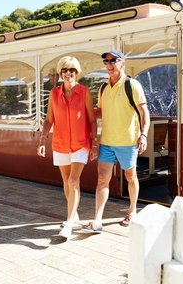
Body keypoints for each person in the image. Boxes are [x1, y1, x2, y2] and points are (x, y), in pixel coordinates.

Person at [83, 49, 150, 233]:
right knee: (102, 179)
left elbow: (145, 112)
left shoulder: (132, 85)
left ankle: (132, 211)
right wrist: (79, 111)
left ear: (122, 63)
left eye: (113, 60)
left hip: (128, 142)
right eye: (106, 61)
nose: (109, 64)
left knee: (130, 177)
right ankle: (97, 220)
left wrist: (143, 135)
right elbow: (101, 112)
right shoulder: (103, 88)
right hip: (107, 142)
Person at [37, 56, 97, 239]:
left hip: (80, 144)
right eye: (64, 70)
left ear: (77, 72)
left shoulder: (84, 92)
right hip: (60, 143)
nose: (68, 73)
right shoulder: (54, 94)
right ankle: (74, 212)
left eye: (71, 70)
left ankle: (69, 223)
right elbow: (49, 120)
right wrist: (42, 138)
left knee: (73, 180)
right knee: (65, 180)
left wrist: (94, 143)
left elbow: (92, 120)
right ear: (60, 73)